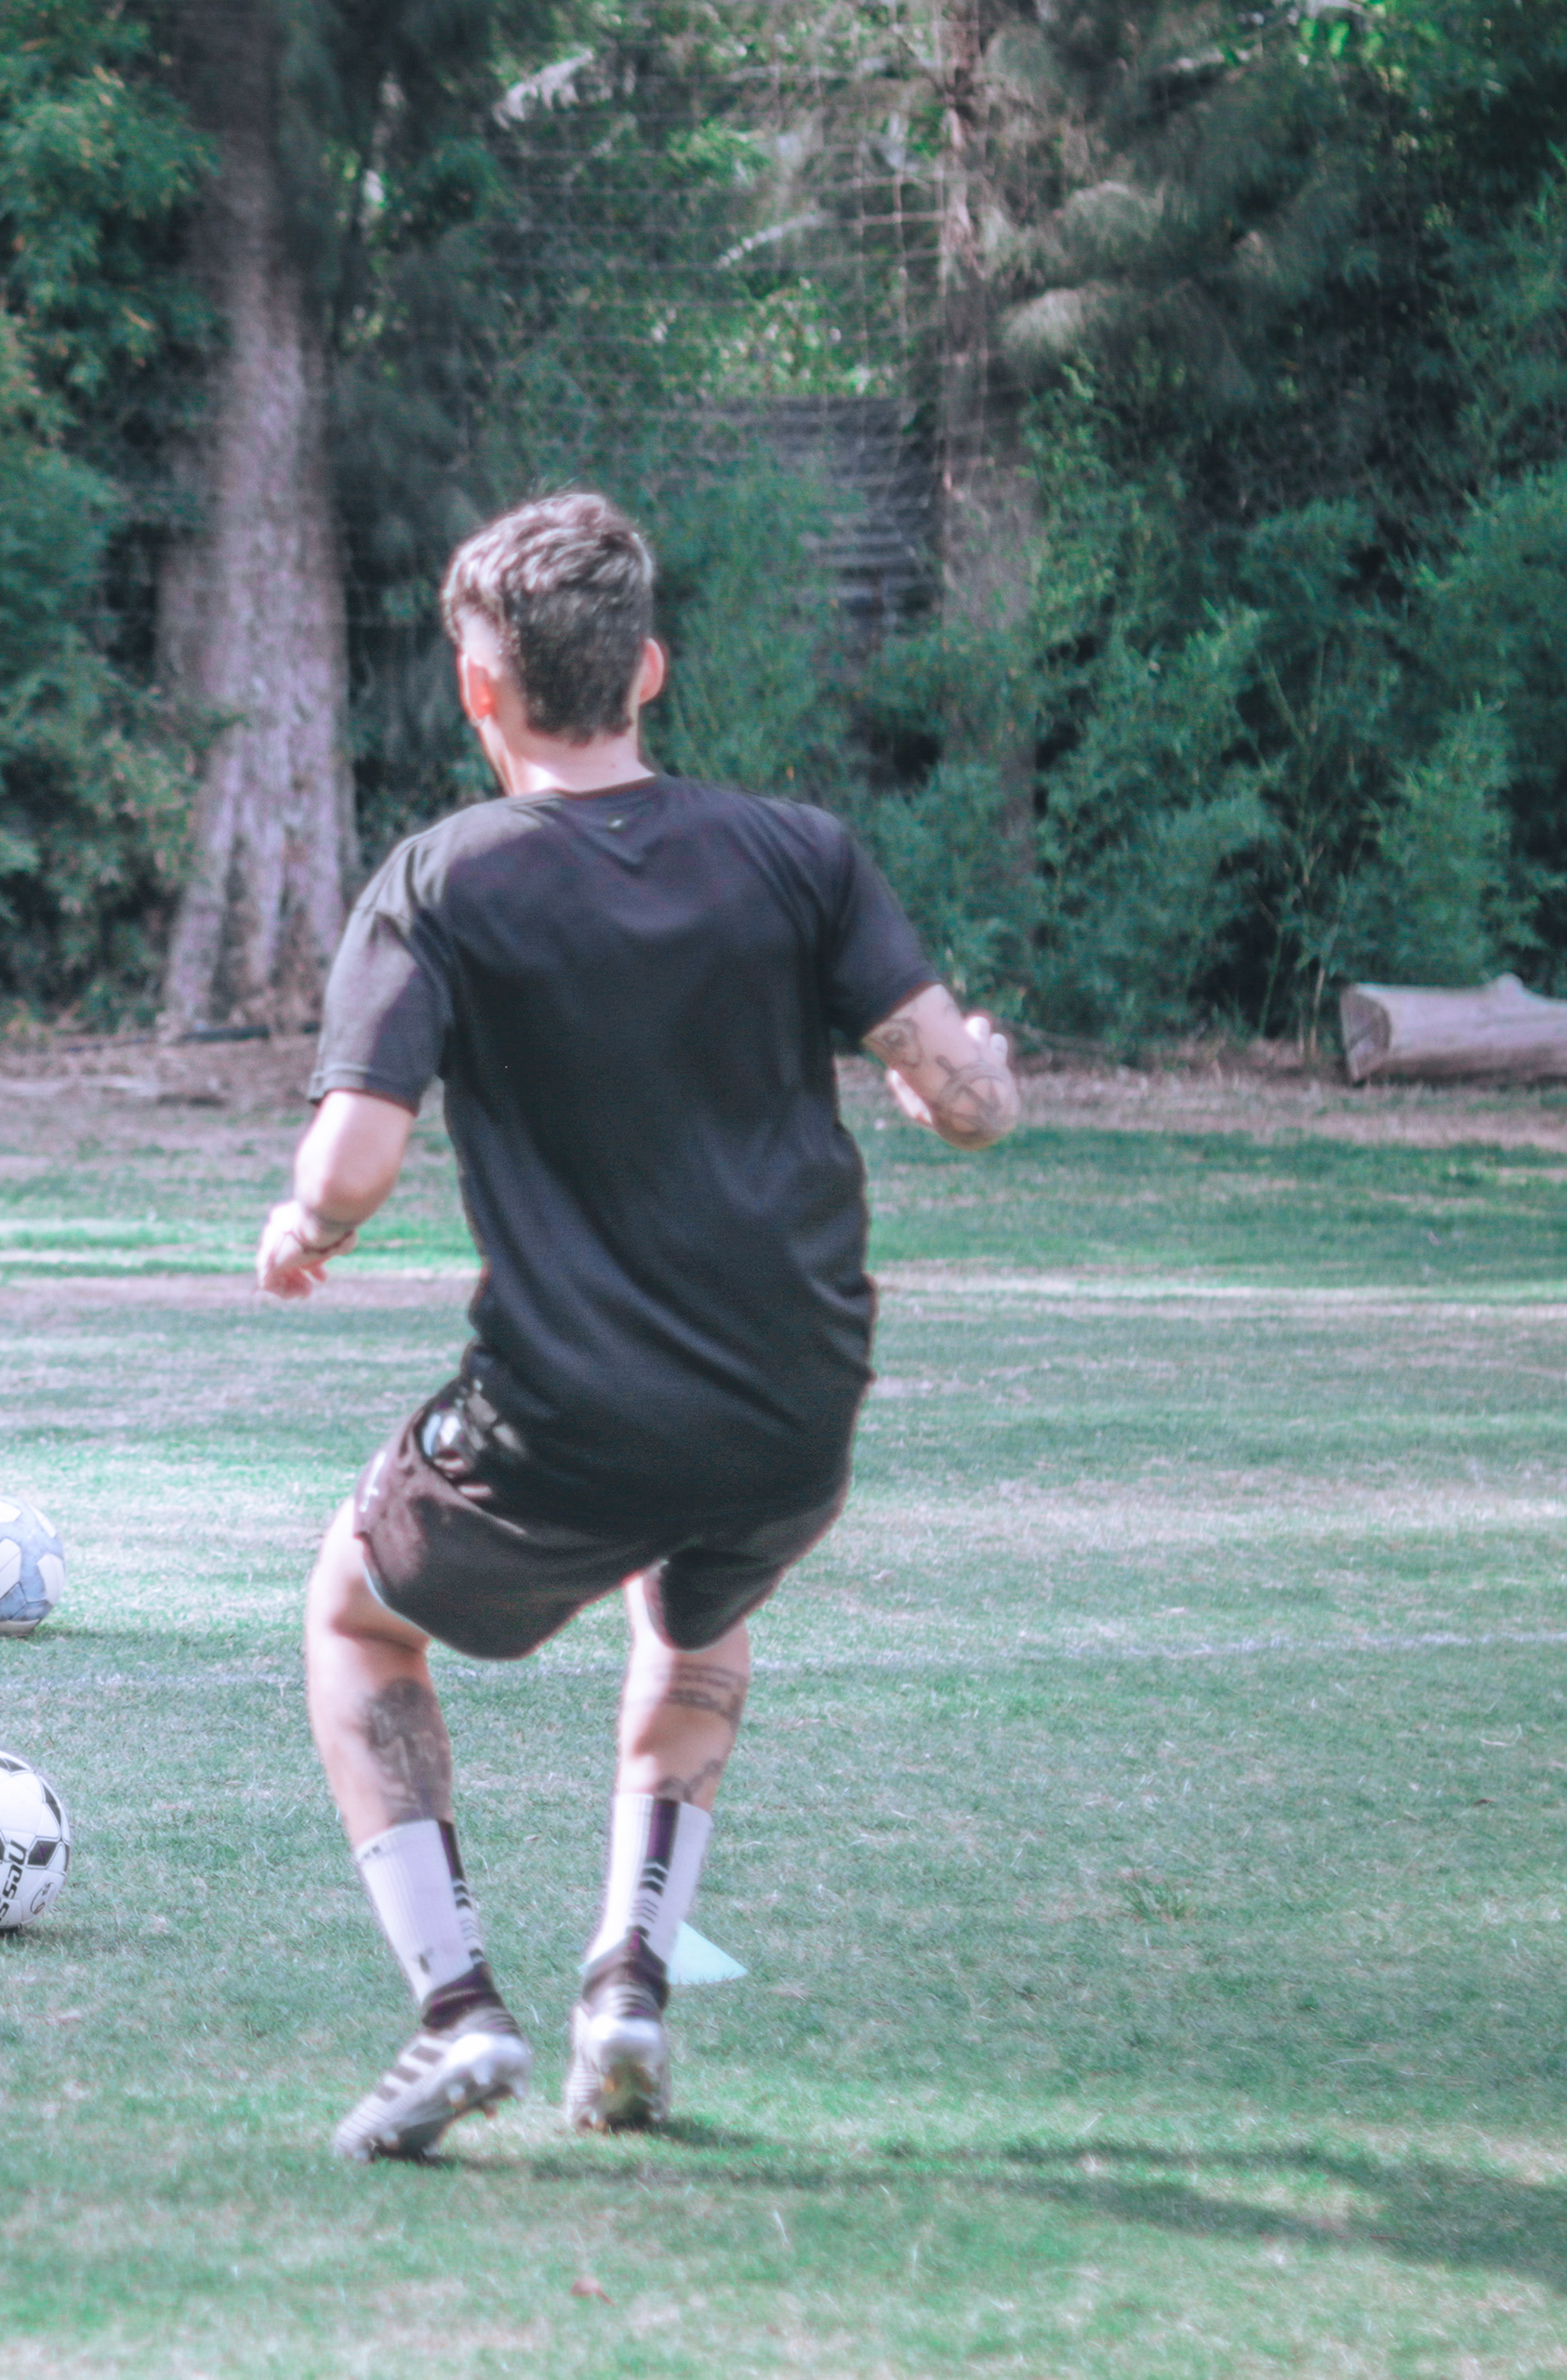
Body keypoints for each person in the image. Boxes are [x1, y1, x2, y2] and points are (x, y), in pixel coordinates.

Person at [257, 491, 1021, 2162]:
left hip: (574, 1412)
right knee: (695, 1608)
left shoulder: (441, 878)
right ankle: (629, 1993)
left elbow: (352, 1163)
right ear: (649, 671)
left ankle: (457, 2012)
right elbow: (964, 1100)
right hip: (797, 1403)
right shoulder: (799, 852)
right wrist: (984, 1069)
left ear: (479, 689)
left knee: (353, 1616)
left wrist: (304, 1227)